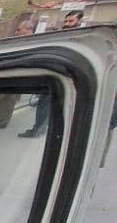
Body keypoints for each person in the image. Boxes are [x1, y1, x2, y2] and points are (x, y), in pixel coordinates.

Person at [19, 10, 83, 138]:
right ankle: (42, 128)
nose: (67, 24)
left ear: (79, 21)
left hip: (67, 79)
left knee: (48, 105)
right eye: (66, 21)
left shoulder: (81, 39)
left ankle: (41, 130)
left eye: (71, 21)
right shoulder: (63, 35)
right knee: (46, 104)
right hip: (55, 77)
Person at [0, 20, 37, 129]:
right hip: (7, 74)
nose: (16, 32)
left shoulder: (32, 42)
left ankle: (3, 122)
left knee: (9, 99)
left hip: (17, 76)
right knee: (1, 98)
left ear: (28, 29)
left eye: (19, 29)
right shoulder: (19, 40)